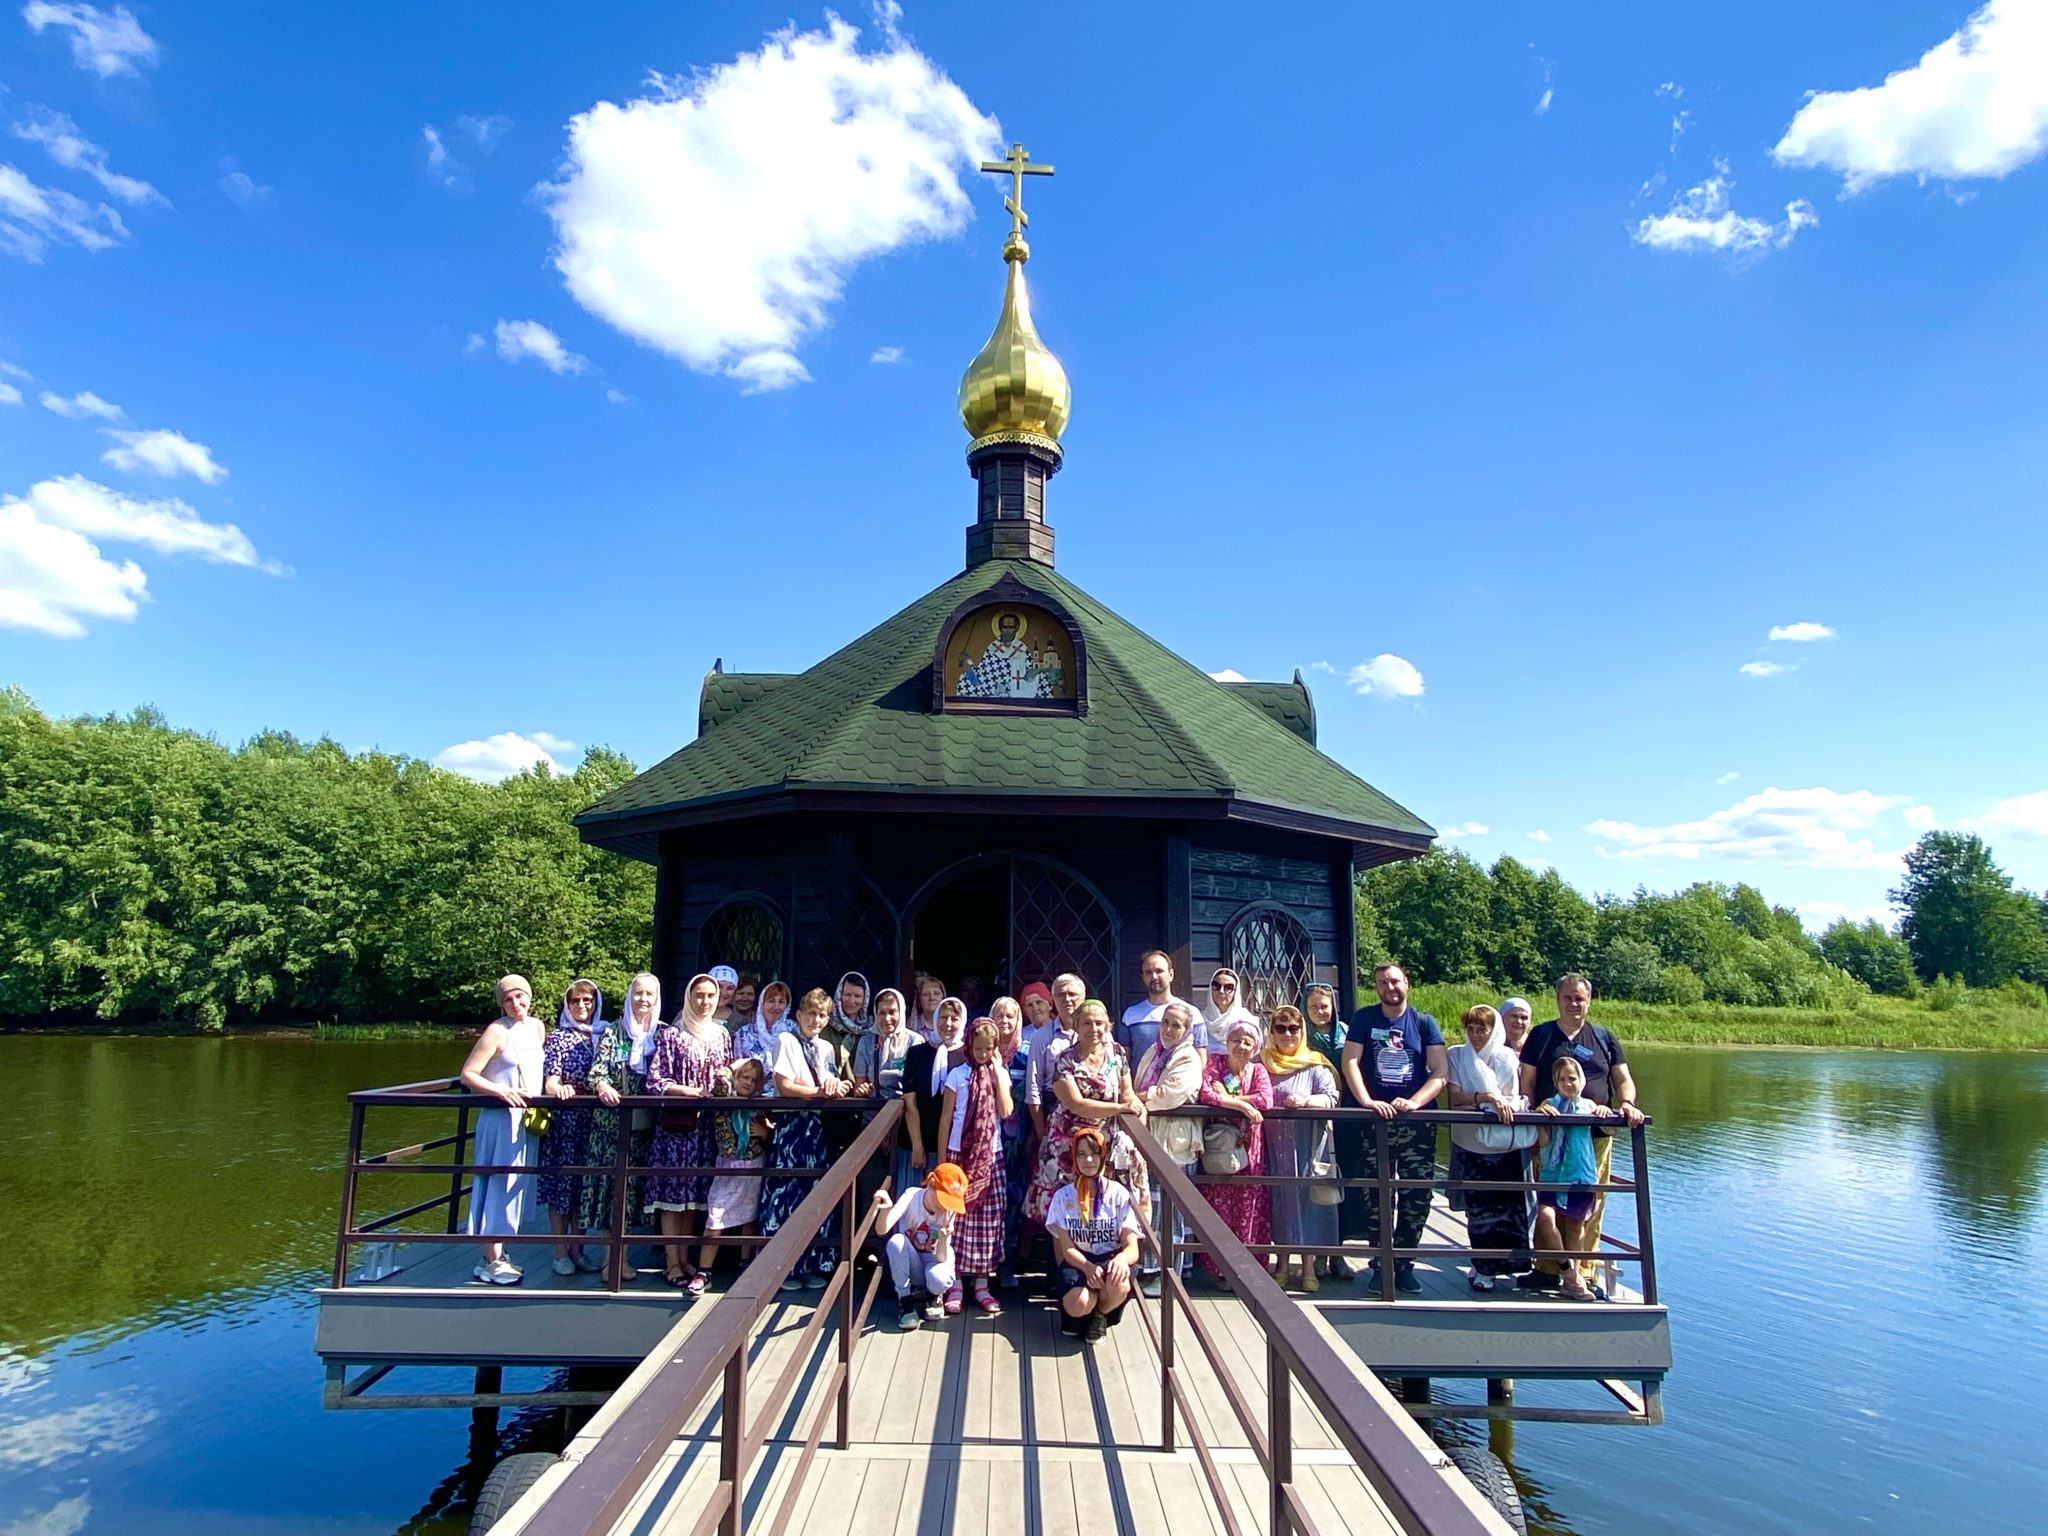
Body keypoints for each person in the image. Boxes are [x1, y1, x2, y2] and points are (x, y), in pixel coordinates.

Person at [1517, 974, 1643, 1294]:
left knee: (1589, 1206)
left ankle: (1584, 1272)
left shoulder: (1603, 1037)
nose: (1574, 1003)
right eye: (1568, 997)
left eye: (1580, 998)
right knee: (1548, 1202)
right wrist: (1533, 1115)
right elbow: (1527, 1081)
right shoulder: (1542, 1036)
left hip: (1595, 1138)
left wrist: (1626, 1104)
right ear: (1557, 999)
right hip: (1551, 1136)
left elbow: (1623, 1079)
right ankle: (1547, 1269)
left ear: (1589, 1001)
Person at [1339, 962, 1447, 1295]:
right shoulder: (1364, 1019)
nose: (1390, 987)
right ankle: (1380, 1261)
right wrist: (1367, 1101)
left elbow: (1440, 1070)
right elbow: (1350, 1061)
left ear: (1407, 984)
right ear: (1377, 987)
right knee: (1377, 1194)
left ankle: (1404, 1262)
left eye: (1395, 981)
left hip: (1417, 1124)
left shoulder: (1424, 1022)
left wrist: (1415, 1102)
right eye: (1383, 982)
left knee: (1417, 1193)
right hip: (1377, 1123)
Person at [1025, 999, 1148, 1228]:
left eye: (1099, 1023)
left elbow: (1127, 1093)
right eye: (1087, 1023)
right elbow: (1076, 1104)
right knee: (1064, 1199)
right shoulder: (1066, 1059)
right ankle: (1062, 1258)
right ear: (1077, 1026)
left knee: (1102, 1198)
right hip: (1068, 1137)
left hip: (1105, 1137)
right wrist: (1120, 1109)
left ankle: (1108, 1251)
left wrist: (1137, 1109)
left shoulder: (1117, 1053)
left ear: (1107, 1026)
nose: (1094, 1029)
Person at [646, 974, 732, 1293]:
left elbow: (728, 1073)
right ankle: (672, 1261)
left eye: (711, 995)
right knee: (672, 1196)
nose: (705, 1001)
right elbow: (655, 1080)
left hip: (705, 1127)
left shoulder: (721, 1035)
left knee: (693, 1198)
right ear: (689, 997)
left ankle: (685, 1258)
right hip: (677, 1125)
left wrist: (725, 1081)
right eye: (699, 995)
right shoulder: (672, 1034)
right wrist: (682, 1090)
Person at [459, 974, 545, 1286]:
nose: (516, 1003)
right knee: (497, 1181)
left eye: (521, 996)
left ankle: (498, 1253)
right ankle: (491, 1259)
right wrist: (498, 1091)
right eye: (508, 999)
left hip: (526, 1120)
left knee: (516, 1184)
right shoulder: (496, 1031)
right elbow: (468, 1074)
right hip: (500, 1119)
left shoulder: (536, 1027)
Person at [761, 987, 848, 1291]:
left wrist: (837, 1087)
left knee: (813, 1193)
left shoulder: (825, 1048)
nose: (816, 1019)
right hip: (791, 1126)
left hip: (816, 1128)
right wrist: (817, 1093)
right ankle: (781, 1266)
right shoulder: (785, 1040)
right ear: (799, 1015)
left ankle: (811, 1263)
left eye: (822, 1015)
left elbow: (831, 1079)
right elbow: (783, 1085)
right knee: (785, 1191)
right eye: (811, 1013)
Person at [1444, 1004, 1535, 1292]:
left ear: (1493, 1029)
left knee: (1507, 1209)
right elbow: (1455, 1097)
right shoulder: (1456, 1055)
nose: (1475, 1035)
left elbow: (1510, 1100)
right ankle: (1483, 1267)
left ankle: (1506, 1265)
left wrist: (1491, 1102)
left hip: (1502, 1147)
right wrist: (1484, 1097)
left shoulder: (1507, 1058)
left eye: (1481, 1028)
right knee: (1478, 1210)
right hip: (1469, 1144)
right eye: (1470, 1029)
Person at [584, 971, 660, 1279]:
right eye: (638, 993)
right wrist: (602, 1086)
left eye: (649, 995)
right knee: (610, 1190)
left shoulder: (661, 1034)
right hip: (612, 1127)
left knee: (633, 1193)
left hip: (647, 1128)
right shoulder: (615, 1034)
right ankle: (610, 1260)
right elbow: (597, 1072)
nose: (643, 999)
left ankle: (625, 1255)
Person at [1262, 1004, 1340, 1292]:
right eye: (1280, 1028)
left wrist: (1306, 1101)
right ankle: (1282, 1263)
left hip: (1306, 1144)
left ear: (1302, 1031)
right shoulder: (1263, 1063)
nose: (1287, 1034)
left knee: (1306, 1203)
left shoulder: (1314, 1063)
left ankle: (1308, 1266)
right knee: (1279, 1201)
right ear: (1272, 1032)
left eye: (1293, 1028)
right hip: (1272, 1145)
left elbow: (1331, 1097)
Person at [940, 1018, 1014, 1314]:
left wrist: (997, 1074)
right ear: (969, 1045)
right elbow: (946, 1118)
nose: (982, 1053)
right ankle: (955, 1282)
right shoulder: (956, 1075)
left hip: (989, 1156)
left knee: (989, 1218)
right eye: (978, 1048)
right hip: (960, 1154)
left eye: (988, 1049)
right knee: (956, 1220)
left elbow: (1006, 1112)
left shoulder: (999, 1073)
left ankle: (982, 1283)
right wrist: (943, 1159)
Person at [1132, 999, 1206, 1285]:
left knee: (1172, 1209)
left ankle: (1168, 1273)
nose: (1170, 1029)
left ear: (1187, 1030)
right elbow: (1141, 1083)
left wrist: (1138, 1098)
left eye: (1177, 1025)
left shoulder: (1188, 1058)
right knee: (1154, 1206)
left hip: (1176, 1141)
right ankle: (1153, 1268)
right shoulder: (1154, 1051)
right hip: (1154, 1136)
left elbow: (1167, 1095)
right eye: (1166, 1022)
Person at [1195, 1019, 1273, 1286]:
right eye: (1236, 1040)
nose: (1241, 1046)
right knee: (1217, 1206)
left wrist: (1233, 1101)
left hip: (1248, 1148)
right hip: (1218, 1145)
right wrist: (1241, 1105)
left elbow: (1265, 1099)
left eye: (1248, 1042)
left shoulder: (1258, 1071)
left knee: (1248, 1206)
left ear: (1256, 1046)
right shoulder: (1214, 1064)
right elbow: (1204, 1093)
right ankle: (1219, 1270)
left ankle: (1246, 1270)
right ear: (1227, 1042)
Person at [1045, 1127, 1142, 1341]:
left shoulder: (1118, 1194)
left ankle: (1100, 1316)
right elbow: (1067, 1248)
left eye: (1094, 1153)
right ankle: (1078, 1312)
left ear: (1103, 1156)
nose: (1088, 1160)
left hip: (1109, 1258)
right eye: (1081, 1154)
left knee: (1120, 1281)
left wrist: (1121, 1259)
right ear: (1074, 1157)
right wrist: (1088, 1268)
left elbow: (1132, 1247)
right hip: (1079, 1261)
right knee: (1078, 1303)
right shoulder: (1063, 1197)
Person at [538, 978, 605, 1277]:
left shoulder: (602, 1035)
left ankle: (579, 1249)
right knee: (561, 1188)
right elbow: (550, 1081)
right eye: (576, 1001)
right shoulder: (559, 1038)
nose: (582, 1006)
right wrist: (560, 1089)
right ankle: (560, 1251)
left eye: (588, 1001)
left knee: (582, 1187)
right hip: (566, 1122)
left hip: (592, 1121)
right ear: (567, 1004)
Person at [1530, 1055, 1602, 1301]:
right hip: (1553, 1173)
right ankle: (1568, 1271)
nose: (1568, 1083)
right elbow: (1545, 1140)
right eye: (1562, 1079)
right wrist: (1540, 1116)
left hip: (1579, 1174)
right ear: (1555, 1082)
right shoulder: (1550, 1104)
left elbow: (1606, 1119)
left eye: (1572, 1078)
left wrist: (1603, 1110)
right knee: (1546, 1217)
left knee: (1575, 1225)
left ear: (1581, 1080)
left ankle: (1574, 1279)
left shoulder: (1589, 1106)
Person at [697, 1056, 772, 1283]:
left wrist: (765, 1133)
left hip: (753, 1164)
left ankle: (745, 1263)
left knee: (749, 1218)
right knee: (716, 1217)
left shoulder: (760, 1106)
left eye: (754, 1080)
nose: (748, 1083)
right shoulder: (726, 1102)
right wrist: (736, 1065)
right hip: (729, 1166)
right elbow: (720, 1077)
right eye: (744, 1077)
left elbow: (771, 1134)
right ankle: (704, 1270)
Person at [1303, 982, 1357, 1279]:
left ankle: (1337, 1252)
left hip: (1344, 1113)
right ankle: (1317, 1254)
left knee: (1340, 1183)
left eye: (1324, 1007)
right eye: (1314, 1007)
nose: (1320, 1012)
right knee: (1317, 1182)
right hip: (1314, 1115)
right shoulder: (1300, 1035)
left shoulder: (1345, 1033)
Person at [877, 1163, 967, 1330]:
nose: (944, 1206)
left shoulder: (948, 1212)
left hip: (935, 1260)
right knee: (896, 1241)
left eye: (950, 1202)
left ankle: (934, 1296)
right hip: (913, 1260)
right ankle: (906, 1303)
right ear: (931, 1184)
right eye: (942, 1199)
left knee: (938, 1278)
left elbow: (941, 1258)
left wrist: (944, 1236)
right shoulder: (912, 1196)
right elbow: (882, 1230)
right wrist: (885, 1210)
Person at [853, 986, 918, 1202]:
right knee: (871, 1185)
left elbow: (916, 1087)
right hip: (872, 1121)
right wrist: (860, 1089)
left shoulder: (914, 1042)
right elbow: (860, 1082)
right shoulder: (866, 1041)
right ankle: (870, 1234)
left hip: (905, 1123)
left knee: (901, 1183)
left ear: (902, 1013)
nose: (887, 1018)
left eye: (892, 1012)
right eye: (882, 1012)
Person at [990, 994, 1033, 1289]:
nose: (1004, 1021)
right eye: (1000, 1015)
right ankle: (982, 1265)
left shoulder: (1027, 1054)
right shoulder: (981, 1051)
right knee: (987, 1202)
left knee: (1014, 1201)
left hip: (1018, 1141)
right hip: (986, 1140)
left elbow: (1034, 1098)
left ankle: (1007, 1263)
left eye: (1010, 1016)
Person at [904, 996, 966, 1184]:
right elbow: (910, 1101)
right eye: (943, 1017)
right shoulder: (917, 1053)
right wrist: (917, 1145)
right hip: (918, 1143)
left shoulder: (968, 1056)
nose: (948, 1024)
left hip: (955, 1146)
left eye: (954, 1019)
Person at [1025, 973, 1086, 1141]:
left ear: (1083, 997)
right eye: (1061, 994)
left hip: (1091, 1112)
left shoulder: (1097, 1033)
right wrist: (1041, 1133)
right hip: (1054, 1110)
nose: (1067, 999)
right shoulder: (1041, 1037)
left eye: (1072, 994)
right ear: (1053, 1000)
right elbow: (1033, 1089)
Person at [1118, 949, 1200, 1067]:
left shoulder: (1192, 1013)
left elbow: (1201, 1059)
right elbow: (1123, 1060)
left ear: (1171, 974)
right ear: (1143, 977)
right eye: (1148, 972)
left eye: (1159, 971)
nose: (1154, 976)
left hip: (1179, 1084)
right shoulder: (1131, 1015)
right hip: (1140, 1085)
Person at [1201, 967, 1259, 1054]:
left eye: (1228, 987)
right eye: (1216, 986)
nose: (1221, 991)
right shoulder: (1200, 1020)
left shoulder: (1246, 1021)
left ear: (1236, 992)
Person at [730, 982, 782, 1076]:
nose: (745, 998)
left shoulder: (791, 1030)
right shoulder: (743, 1032)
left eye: (750, 994)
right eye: (741, 993)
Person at [909, 973, 947, 1041]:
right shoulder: (911, 1025)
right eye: (926, 994)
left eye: (936, 993)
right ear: (919, 999)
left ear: (943, 997)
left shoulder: (950, 1024)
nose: (932, 998)